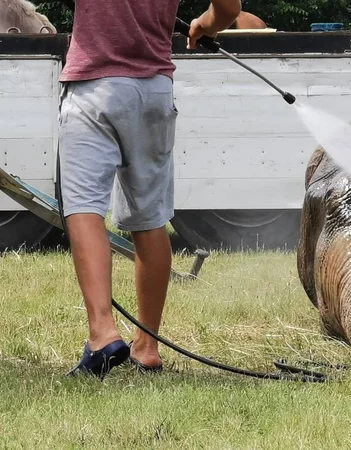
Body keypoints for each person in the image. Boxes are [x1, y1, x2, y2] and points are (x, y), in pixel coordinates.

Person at [58, 0, 242, 378]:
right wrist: (204, 24)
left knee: (84, 208)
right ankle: (147, 345)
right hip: (153, 91)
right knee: (150, 219)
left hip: (94, 86)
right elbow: (228, 7)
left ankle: (102, 335)